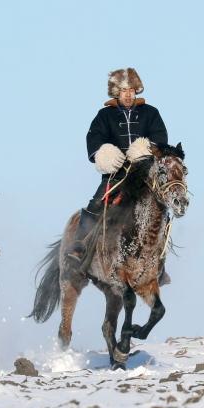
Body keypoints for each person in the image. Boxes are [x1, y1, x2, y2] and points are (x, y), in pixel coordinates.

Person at [68, 67, 172, 284]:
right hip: (116, 174)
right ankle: (79, 249)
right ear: (115, 92)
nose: (128, 94)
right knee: (96, 204)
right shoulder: (104, 115)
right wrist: (103, 153)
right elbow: (94, 138)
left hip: (144, 174)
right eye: (123, 90)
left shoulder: (150, 113)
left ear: (136, 91)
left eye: (131, 90)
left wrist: (147, 150)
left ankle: (160, 263)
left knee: (162, 209)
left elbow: (160, 138)